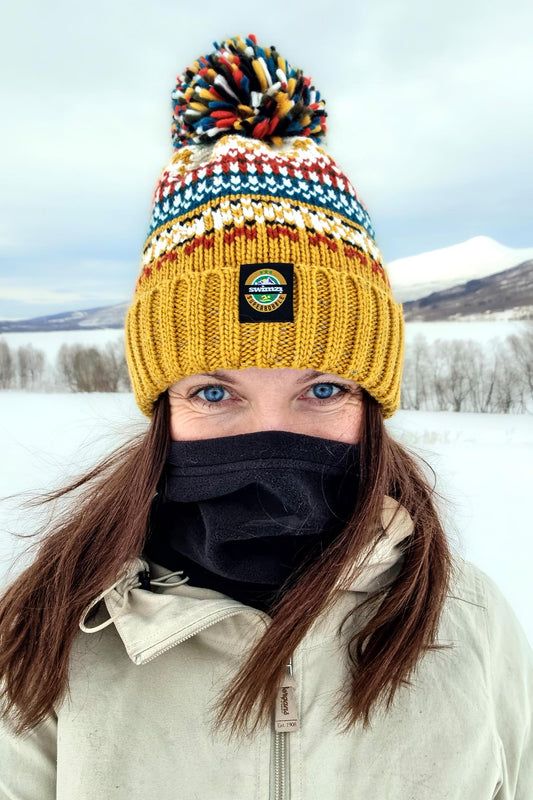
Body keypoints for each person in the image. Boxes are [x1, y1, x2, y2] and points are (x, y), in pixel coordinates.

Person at [0, 34, 531, 799]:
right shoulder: (49, 642)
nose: (268, 440)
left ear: (371, 408)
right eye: (214, 393)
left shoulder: (469, 626)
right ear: (163, 413)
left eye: (322, 391)